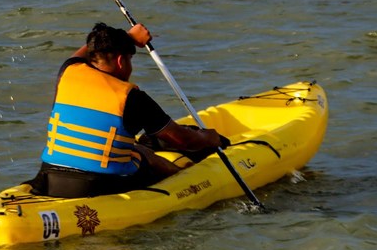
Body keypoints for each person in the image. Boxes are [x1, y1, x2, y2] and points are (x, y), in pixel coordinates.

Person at [29, 22, 229, 198]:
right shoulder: (130, 97)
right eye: (130, 60)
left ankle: (178, 171)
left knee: (136, 149)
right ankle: (184, 178)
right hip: (101, 184)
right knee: (145, 157)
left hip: (50, 177)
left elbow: (82, 54)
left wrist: (129, 36)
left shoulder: (68, 73)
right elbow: (183, 141)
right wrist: (208, 138)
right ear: (120, 61)